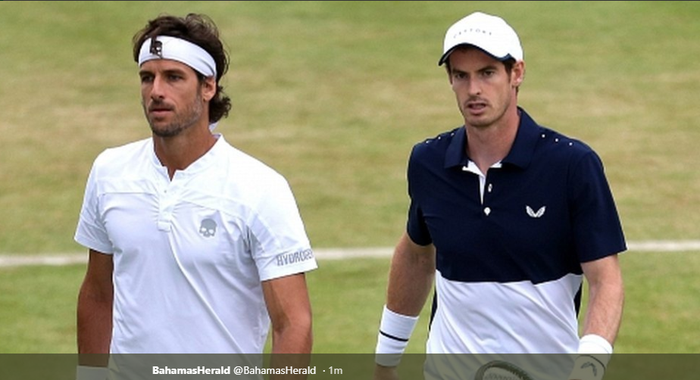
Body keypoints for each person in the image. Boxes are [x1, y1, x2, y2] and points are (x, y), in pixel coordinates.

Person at [374, 11, 625, 380]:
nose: (473, 89)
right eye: (461, 75)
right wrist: (385, 361)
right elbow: (415, 256)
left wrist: (588, 367)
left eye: (487, 73)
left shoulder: (572, 164)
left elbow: (606, 280)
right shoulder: (428, 162)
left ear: (517, 74)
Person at [74, 13, 317, 379]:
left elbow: (293, 323)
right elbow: (97, 292)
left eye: (173, 77)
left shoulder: (259, 188)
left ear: (208, 87)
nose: (156, 90)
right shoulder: (110, 172)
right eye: (147, 77)